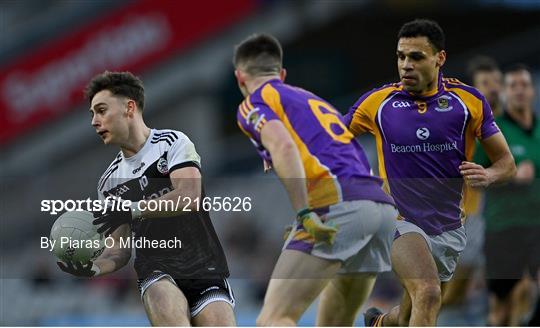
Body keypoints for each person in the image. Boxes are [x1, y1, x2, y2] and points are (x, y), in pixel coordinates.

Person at [344, 19, 516, 326]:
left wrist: (488, 175)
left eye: (416, 57)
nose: (406, 65)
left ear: (440, 58)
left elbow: (506, 162)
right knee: (428, 292)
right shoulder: (378, 103)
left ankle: (380, 323)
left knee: (417, 308)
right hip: (397, 220)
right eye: (401, 57)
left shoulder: (468, 102)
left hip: (450, 226)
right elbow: (333, 136)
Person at [234, 33, 398, 326]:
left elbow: (283, 146)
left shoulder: (253, 104)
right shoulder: (310, 99)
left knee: (274, 318)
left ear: (240, 77)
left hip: (337, 207)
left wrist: (304, 212)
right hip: (380, 209)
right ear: (281, 74)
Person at [57, 71, 236, 326]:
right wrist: (95, 267)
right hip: (157, 270)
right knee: (164, 300)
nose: (94, 121)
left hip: (205, 269)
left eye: (101, 110)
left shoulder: (172, 143)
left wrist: (132, 209)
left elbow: (189, 196)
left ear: (129, 107)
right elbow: (119, 249)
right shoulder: (108, 183)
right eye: (92, 114)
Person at [476, 64, 540, 326]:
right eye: (513, 86)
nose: (519, 91)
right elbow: (476, 176)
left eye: (524, 85)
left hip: (536, 225)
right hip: (503, 227)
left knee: (529, 289)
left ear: (533, 91)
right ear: (503, 92)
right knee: (501, 307)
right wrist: (512, 176)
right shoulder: (493, 131)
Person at [441, 55, 504, 310]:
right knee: (441, 291)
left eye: (496, 82)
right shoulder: (464, 122)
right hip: (455, 214)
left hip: (482, 215)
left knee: (455, 294)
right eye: (485, 82)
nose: (492, 87)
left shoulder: (503, 125)